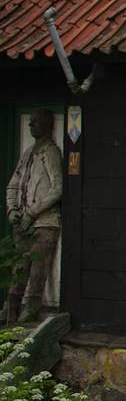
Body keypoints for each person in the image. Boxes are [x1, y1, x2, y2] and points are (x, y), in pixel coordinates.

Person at [5, 109, 62, 324]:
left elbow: (57, 189)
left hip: (45, 222)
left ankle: (32, 307)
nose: (31, 126)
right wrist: (13, 210)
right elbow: (12, 184)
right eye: (29, 123)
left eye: (35, 123)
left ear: (47, 125)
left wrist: (32, 212)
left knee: (37, 266)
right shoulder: (28, 153)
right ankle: (10, 306)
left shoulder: (52, 152)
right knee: (18, 266)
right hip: (22, 223)